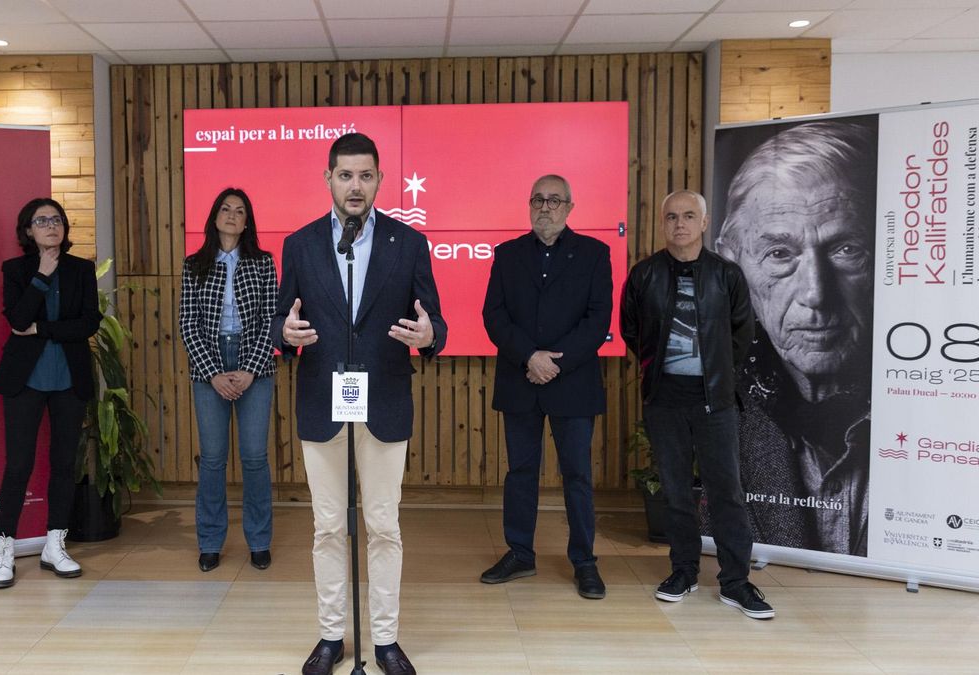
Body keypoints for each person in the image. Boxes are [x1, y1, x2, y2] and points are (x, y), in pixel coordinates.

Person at [272, 132, 446, 675]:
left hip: (386, 399)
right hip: (323, 401)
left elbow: (435, 322)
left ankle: (387, 639)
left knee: (383, 524)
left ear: (380, 181)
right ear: (328, 179)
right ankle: (331, 635)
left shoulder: (408, 243)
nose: (355, 185)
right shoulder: (300, 244)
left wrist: (427, 336)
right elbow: (282, 319)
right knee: (327, 526)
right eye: (344, 175)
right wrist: (288, 332)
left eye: (365, 175)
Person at [715, 121, 876, 556]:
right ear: (734, 267)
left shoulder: (924, 419)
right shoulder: (725, 418)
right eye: (780, 254)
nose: (815, 295)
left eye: (847, 249)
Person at [621, 189, 774, 619]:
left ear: (705, 223)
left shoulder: (726, 275)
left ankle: (736, 582)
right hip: (665, 401)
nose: (680, 224)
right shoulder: (645, 274)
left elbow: (742, 335)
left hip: (716, 403)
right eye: (672, 217)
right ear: (663, 223)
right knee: (675, 493)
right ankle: (683, 571)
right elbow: (633, 332)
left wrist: (717, 374)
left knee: (726, 493)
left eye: (689, 216)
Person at [479, 174, 612, 600]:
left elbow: (598, 320)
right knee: (520, 471)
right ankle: (520, 552)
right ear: (528, 204)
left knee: (576, 474)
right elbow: (494, 315)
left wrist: (555, 363)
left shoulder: (594, 254)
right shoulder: (507, 255)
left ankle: (584, 561)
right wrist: (529, 357)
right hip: (521, 380)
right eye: (538, 199)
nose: (545, 206)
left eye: (555, 200)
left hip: (572, 382)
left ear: (570, 208)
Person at [0, 198, 100, 590]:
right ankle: (4, 551)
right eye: (42, 221)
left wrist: (43, 329)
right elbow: (18, 319)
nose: (52, 226)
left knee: (64, 464)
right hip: (25, 380)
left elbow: (88, 323)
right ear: (28, 230)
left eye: (57, 220)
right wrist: (41, 276)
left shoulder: (82, 270)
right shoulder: (16, 270)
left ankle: (55, 544)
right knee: (19, 464)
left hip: (69, 377)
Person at [180, 187, 278, 573]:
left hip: (255, 363)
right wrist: (214, 373)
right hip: (209, 364)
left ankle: (259, 541)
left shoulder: (263, 263)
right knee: (213, 460)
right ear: (214, 216)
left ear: (248, 220)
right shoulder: (194, 264)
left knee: (254, 458)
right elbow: (188, 324)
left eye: (240, 211)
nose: (232, 215)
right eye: (226, 209)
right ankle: (210, 542)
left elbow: (271, 320)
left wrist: (250, 369)